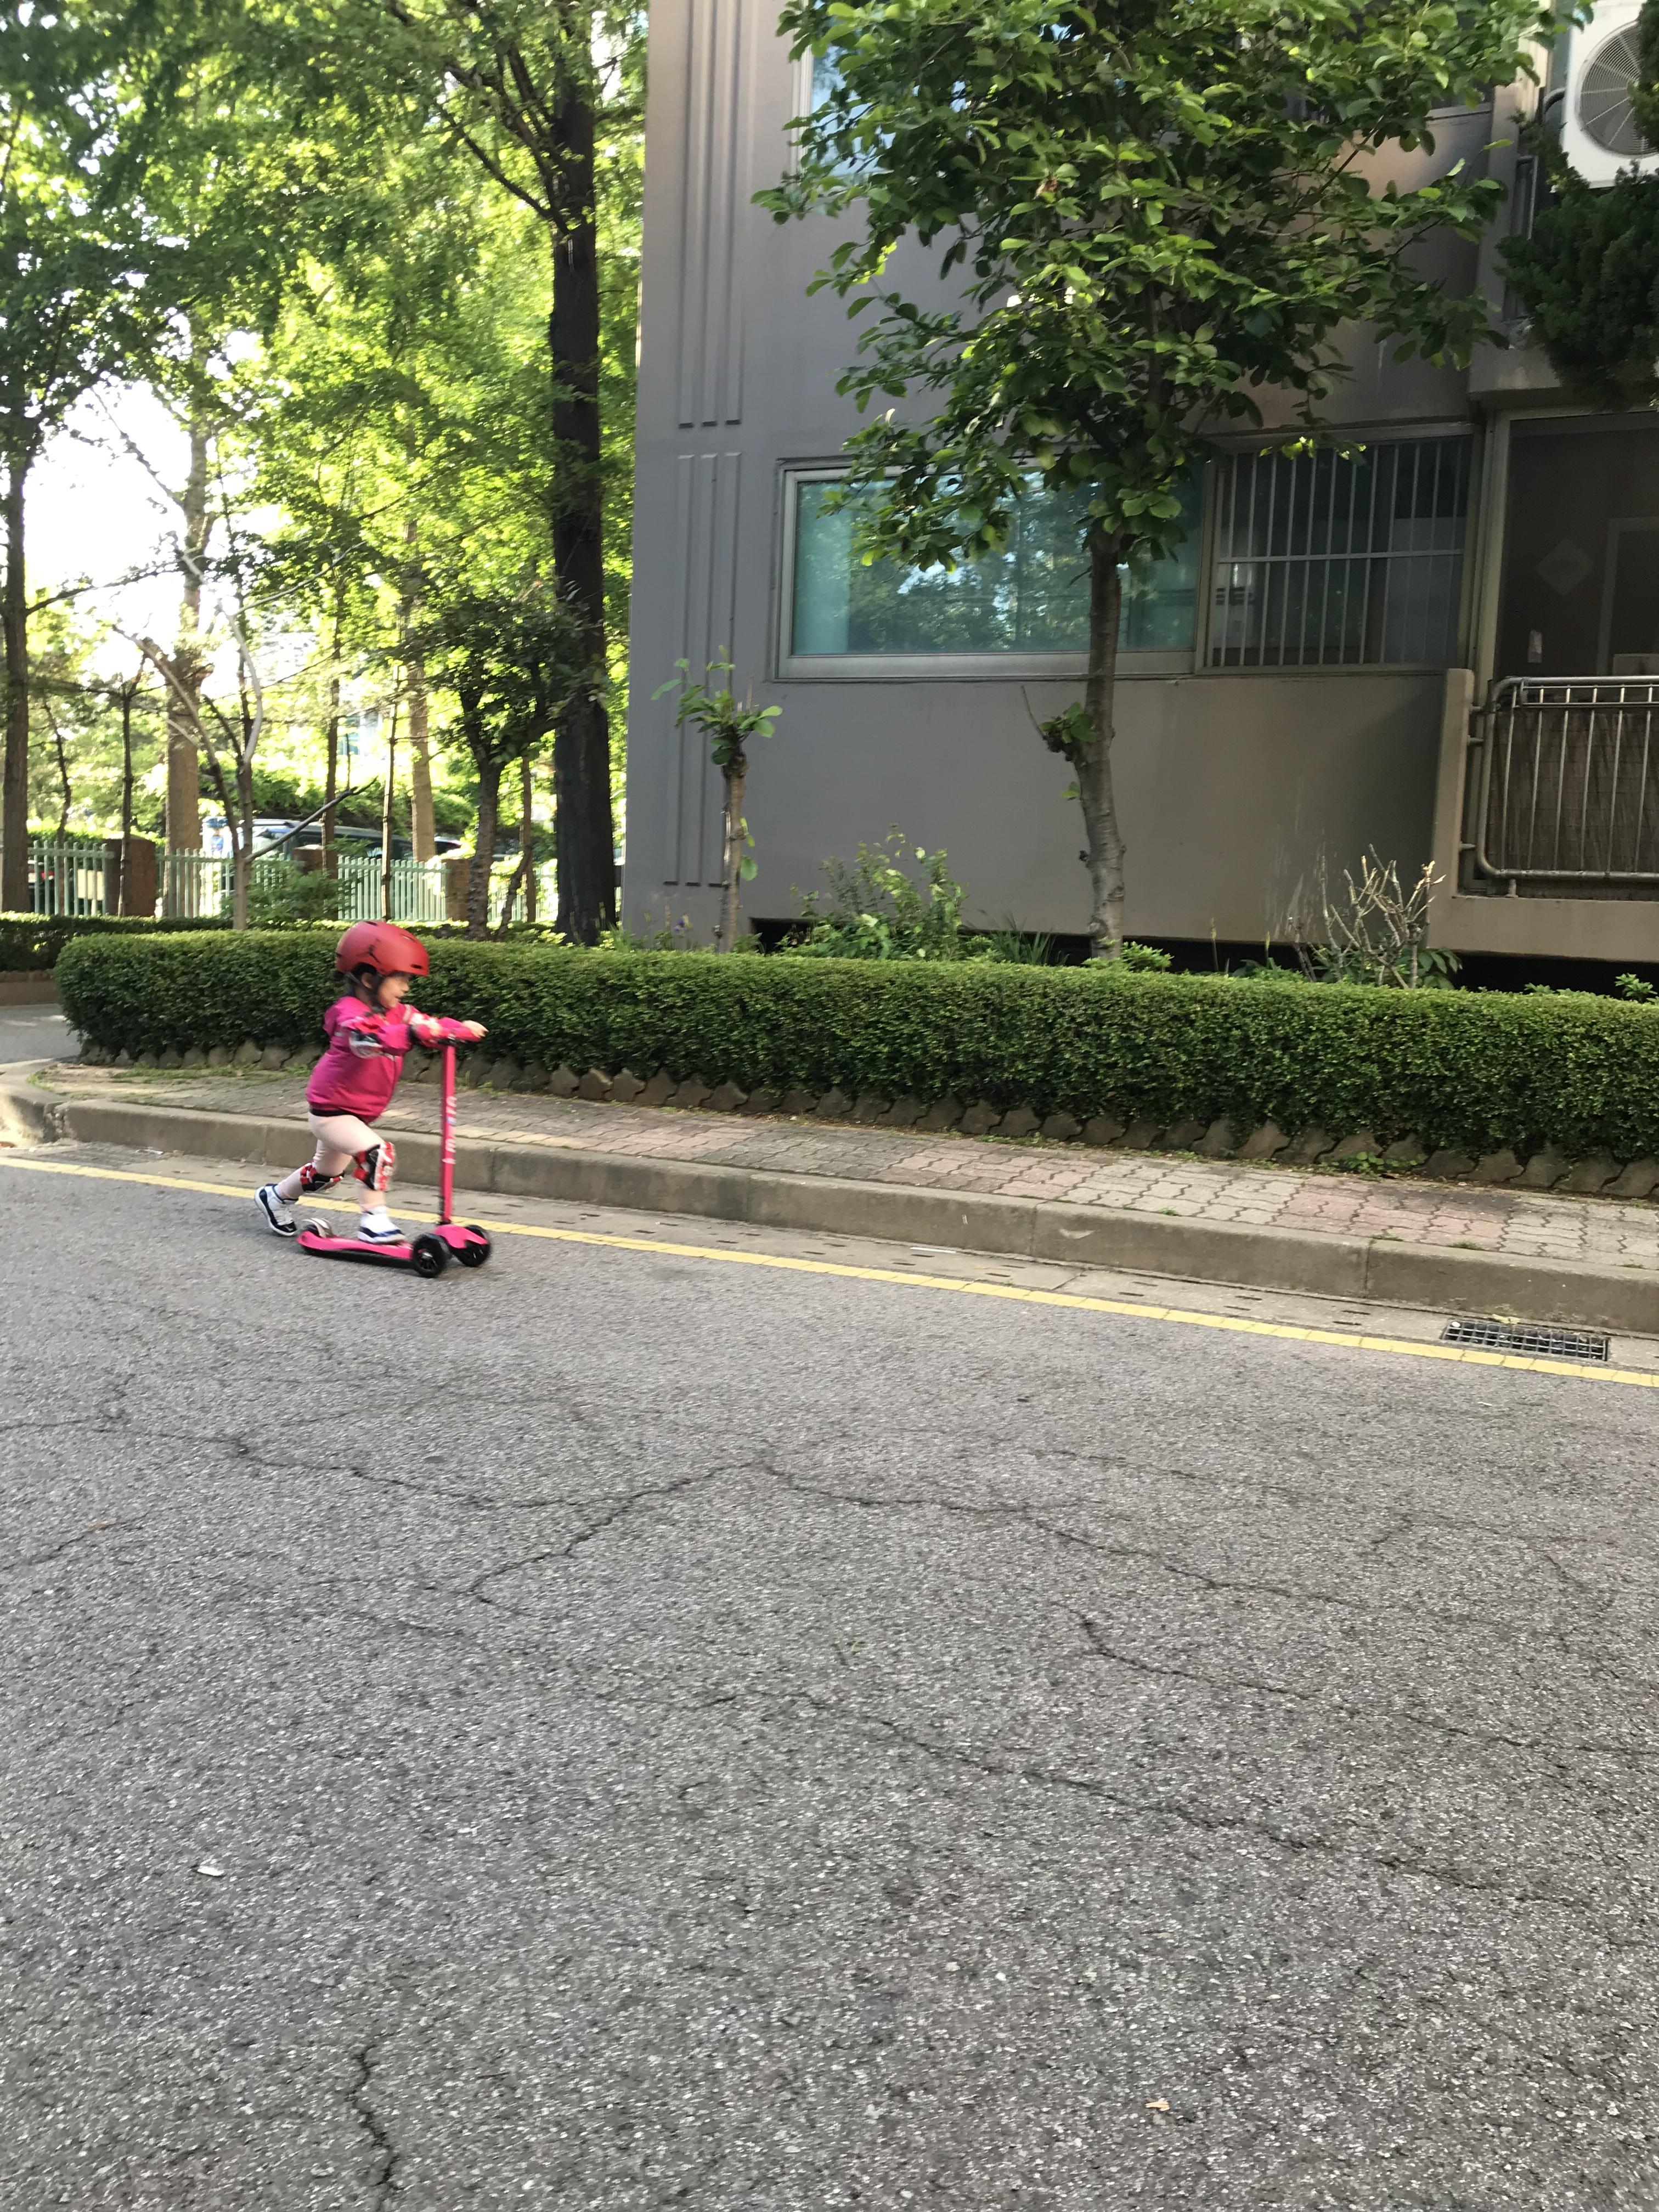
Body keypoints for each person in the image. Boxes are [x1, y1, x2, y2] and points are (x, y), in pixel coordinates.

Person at [256, 921, 486, 1243]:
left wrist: (457, 1028)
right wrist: (411, 1033)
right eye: (400, 979)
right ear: (368, 978)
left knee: (325, 1175)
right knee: (377, 1153)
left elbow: (426, 1024)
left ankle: (274, 1197)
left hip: (357, 1112)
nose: (406, 988)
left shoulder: (399, 1013)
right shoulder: (348, 1014)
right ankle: (374, 1223)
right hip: (331, 1112)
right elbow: (366, 1039)